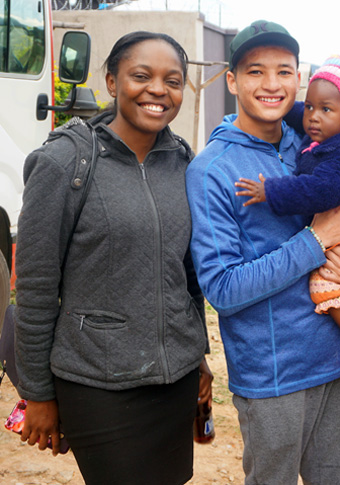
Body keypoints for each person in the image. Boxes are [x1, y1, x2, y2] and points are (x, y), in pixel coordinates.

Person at [185, 20, 340, 484]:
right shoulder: (212, 169)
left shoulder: (316, 143)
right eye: (255, 71)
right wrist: (314, 240)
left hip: (338, 363)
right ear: (232, 80)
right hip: (273, 375)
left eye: (284, 71)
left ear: (300, 78)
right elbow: (223, 289)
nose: (272, 84)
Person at [14, 31, 212, 485]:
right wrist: (38, 394)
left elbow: (187, 276)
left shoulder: (183, 163)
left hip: (175, 380)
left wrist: (197, 355)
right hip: (97, 384)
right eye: (141, 76)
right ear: (112, 82)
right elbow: (36, 286)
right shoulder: (67, 162)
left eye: (173, 80)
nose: (158, 89)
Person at [235, 54, 340, 385]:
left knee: (325, 281)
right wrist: (261, 109)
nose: (312, 117)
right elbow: (291, 111)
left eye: (325, 109)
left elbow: (319, 191)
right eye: (310, 106)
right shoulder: (329, 130)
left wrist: (271, 192)